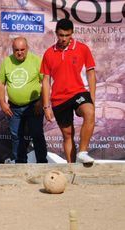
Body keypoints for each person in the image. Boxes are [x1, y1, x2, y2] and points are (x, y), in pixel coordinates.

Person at [41, 18, 96, 163]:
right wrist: (46, 106)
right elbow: (46, 81)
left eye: (67, 35)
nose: (64, 39)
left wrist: (92, 96)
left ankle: (83, 152)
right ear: (56, 33)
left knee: (89, 111)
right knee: (67, 134)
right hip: (59, 99)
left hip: (78, 92)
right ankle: (71, 168)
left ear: (72, 33)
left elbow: (91, 73)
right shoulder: (48, 53)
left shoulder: (83, 49)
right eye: (61, 35)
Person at [0, 37, 48, 163]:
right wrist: (3, 103)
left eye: (22, 50)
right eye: (16, 50)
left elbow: (45, 82)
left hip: (34, 105)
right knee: (16, 136)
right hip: (14, 107)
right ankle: (20, 164)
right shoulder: (6, 62)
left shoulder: (36, 60)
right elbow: (0, 83)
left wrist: (41, 102)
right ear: (12, 50)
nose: (19, 52)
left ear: (27, 48)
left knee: (36, 135)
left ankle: (42, 163)